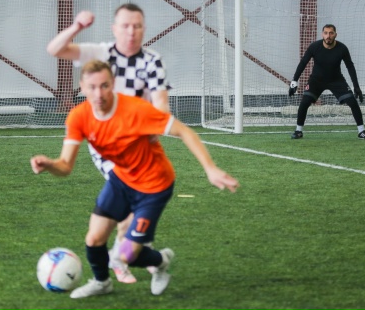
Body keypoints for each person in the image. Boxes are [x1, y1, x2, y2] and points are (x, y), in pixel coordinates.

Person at [30, 60, 240, 298]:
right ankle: (102, 283)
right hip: (121, 180)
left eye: (104, 86)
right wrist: (49, 165)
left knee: (127, 255)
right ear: (83, 87)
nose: (98, 94)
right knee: (94, 238)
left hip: (154, 186)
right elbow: (65, 166)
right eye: (92, 87)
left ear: (113, 84)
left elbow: (184, 131)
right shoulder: (78, 117)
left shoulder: (135, 110)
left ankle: (161, 261)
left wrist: (211, 169)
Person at [47, 3, 169, 283]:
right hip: (106, 147)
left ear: (144, 29)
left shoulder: (152, 61)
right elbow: (55, 49)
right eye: (125, 26)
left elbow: (161, 106)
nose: (131, 31)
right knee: (130, 208)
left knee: (139, 208)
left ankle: (134, 252)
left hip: (140, 148)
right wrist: (77, 26)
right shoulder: (101, 54)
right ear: (115, 29)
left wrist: (153, 128)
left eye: (137, 26)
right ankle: (121, 260)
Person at [288, 24, 365, 140]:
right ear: (322, 34)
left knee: (352, 102)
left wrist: (356, 86)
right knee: (305, 102)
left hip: (336, 80)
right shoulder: (314, 47)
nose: (328, 36)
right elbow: (303, 63)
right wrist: (294, 81)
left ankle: (361, 131)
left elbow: (350, 66)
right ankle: (298, 131)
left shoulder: (342, 48)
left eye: (331, 33)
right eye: (326, 33)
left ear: (335, 35)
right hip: (316, 80)